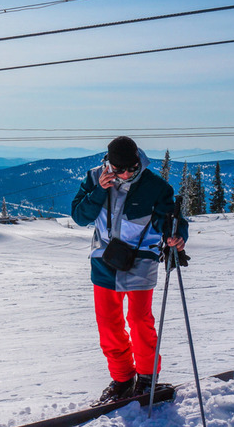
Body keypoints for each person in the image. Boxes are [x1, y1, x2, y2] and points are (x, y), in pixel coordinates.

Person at [71, 136, 187, 403]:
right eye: (120, 169)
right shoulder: (94, 178)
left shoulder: (155, 186)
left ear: (138, 161)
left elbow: (173, 220)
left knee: (138, 320)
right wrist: (99, 190)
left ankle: (147, 378)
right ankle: (122, 379)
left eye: (132, 167)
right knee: (109, 325)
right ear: (109, 164)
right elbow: (79, 216)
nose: (127, 174)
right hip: (104, 260)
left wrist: (177, 237)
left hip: (141, 259)